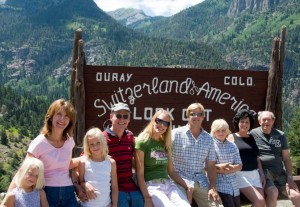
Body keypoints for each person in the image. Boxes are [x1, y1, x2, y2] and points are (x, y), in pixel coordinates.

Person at [5, 99, 81, 207]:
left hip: (68, 190)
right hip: (47, 191)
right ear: (50, 117)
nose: (62, 119)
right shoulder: (39, 143)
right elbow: (23, 170)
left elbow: (67, 164)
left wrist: (87, 158)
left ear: (70, 120)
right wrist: (8, 198)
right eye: (58, 114)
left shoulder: (69, 141)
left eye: (66, 116)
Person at [135, 109, 193, 207]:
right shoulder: (142, 141)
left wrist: (187, 186)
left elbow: (171, 171)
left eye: (166, 123)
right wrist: (147, 197)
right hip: (152, 186)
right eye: (159, 121)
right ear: (154, 120)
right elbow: (139, 174)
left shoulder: (165, 143)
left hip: (169, 185)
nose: (162, 125)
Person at [171, 102, 221, 207]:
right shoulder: (175, 134)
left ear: (203, 117)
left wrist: (212, 187)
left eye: (199, 114)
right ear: (187, 116)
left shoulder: (209, 139)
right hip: (179, 180)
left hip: (200, 181)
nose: (196, 117)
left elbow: (211, 165)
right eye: (193, 114)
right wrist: (185, 185)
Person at [250, 111, 300, 207]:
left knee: (296, 196)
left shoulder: (280, 135)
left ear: (273, 121)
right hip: (264, 172)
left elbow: (286, 158)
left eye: (269, 119)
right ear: (259, 121)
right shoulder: (253, 134)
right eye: (264, 120)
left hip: (280, 172)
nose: (266, 122)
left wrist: (290, 177)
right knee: (273, 192)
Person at [103, 102, 144, 207]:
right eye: (118, 116)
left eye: (125, 116)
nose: (122, 120)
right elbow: (85, 158)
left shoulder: (130, 136)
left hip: (132, 187)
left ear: (129, 119)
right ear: (111, 116)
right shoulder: (101, 138)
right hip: (114, 189)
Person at [227, 109, 265, 207]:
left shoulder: (252, 138)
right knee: (259, 200)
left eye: (247, 122)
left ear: (250, 123)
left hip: (255, 174)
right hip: (240, 174)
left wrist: (261, 174)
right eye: (242, 121)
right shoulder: (231, 137)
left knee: (261, 203)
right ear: (237, 122)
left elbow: (256, 158)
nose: (244, 124)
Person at [78, 127, 118, 207]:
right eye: (91, 144)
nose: (95, 146)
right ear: (87, 146)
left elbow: (114, 186)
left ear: (103, 142)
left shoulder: (111, 163)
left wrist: (115, 205)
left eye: (98, 143)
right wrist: (85, 184)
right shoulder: (83, 162)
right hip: (87, 205)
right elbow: (80, 181)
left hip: (106, 204)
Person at [210, 119, 242, 207]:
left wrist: (229, 169)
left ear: (227, 131)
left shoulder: (233, 145)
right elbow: (207, 167)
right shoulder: (210, 146)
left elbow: (239, 165)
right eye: (218, 130)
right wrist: (221, 168)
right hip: (220, 186)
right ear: (213, 131)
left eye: (223, 130)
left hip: (234, 187)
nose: (221, 133)